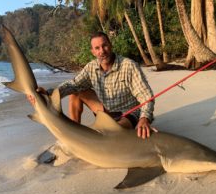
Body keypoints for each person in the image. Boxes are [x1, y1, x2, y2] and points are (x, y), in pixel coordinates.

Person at [28, 32, 156, 139]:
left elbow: (146, 96)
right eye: (97, 48)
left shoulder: (128, 65)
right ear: (93, 52)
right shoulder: (91, 67)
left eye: (104, 46)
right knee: (76, 91)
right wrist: (48, 94)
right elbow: (73, 84)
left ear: (110, 45)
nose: (102, 51)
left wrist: (145, 118)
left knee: (112, 134)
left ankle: (111, 130)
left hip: (128, 113)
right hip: (105, 111)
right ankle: (74, 131)